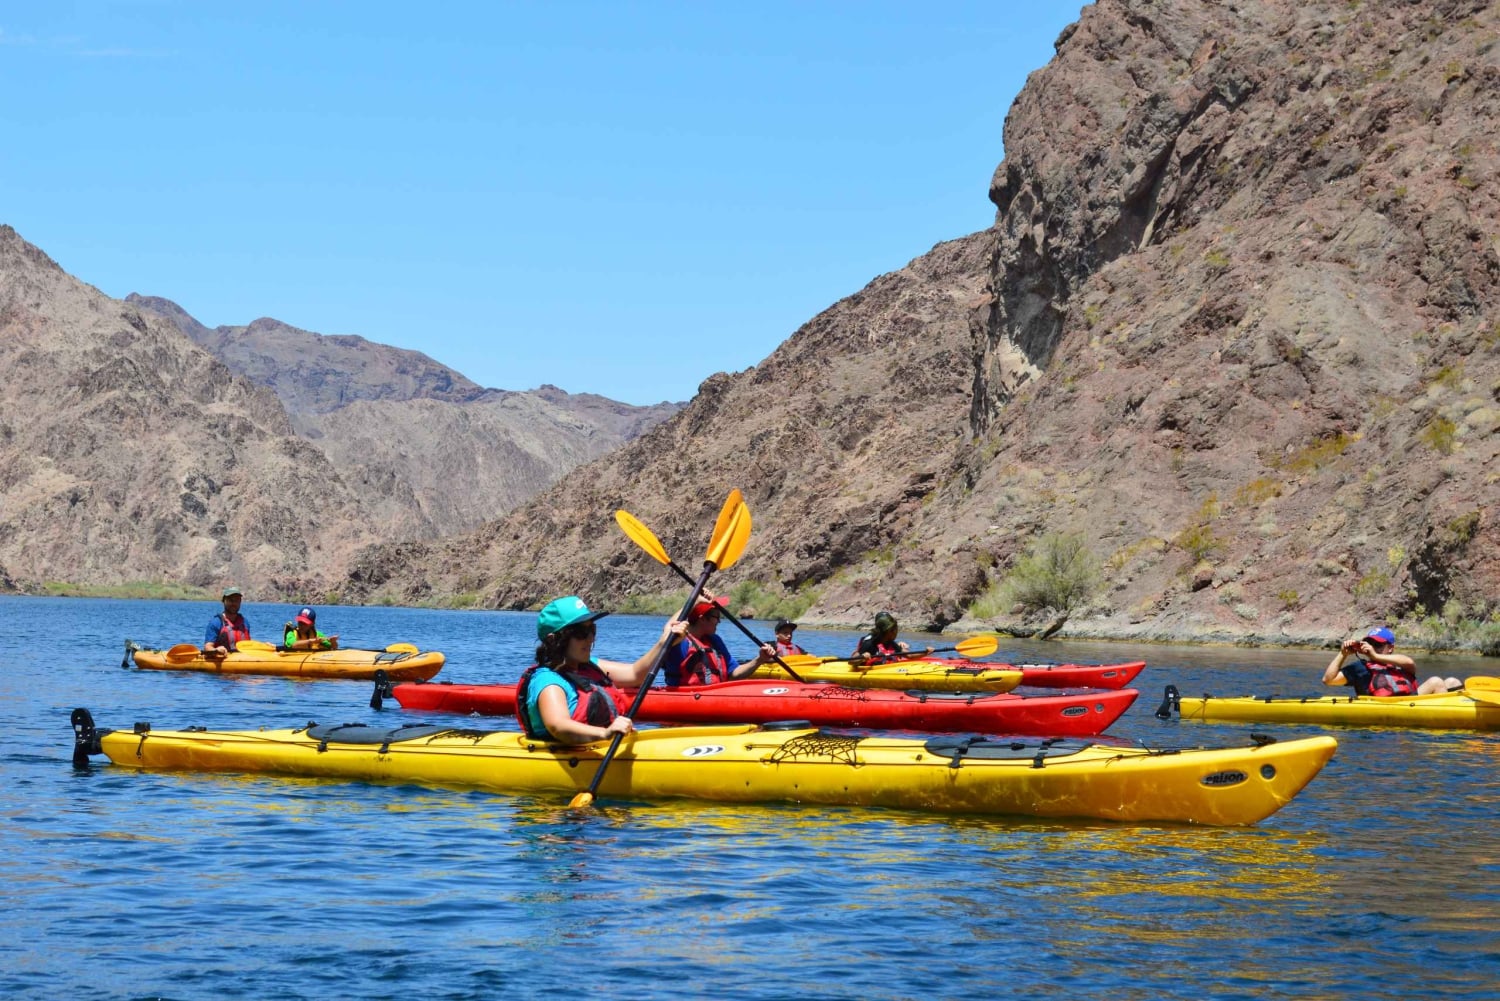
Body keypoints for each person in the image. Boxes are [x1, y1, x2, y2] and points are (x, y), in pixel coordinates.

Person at [516, 595, 686, 745]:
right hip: (572, 755)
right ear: (554, 640)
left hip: (599, 747)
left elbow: (636, 675)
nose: (590, 638)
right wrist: (605, 733)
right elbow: (558, 726)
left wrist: (665, 643)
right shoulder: (548, 681)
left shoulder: (590, 666)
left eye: (592, 630)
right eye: (581, 633)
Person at [662, 596, 775, 686]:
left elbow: (734, 674)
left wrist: (760, 660)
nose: (719, 621)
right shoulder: (679, 641)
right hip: (686, 699)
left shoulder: (715, 641)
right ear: (702, 619)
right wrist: (694, 601)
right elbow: (667, 632)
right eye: (716, 617)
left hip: (714, 698)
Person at [1322, 626, 1460, 696]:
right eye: (1370, 643)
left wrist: (1376, 656)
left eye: (1378, 645)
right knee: (1436, 681)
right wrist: (1342, 654)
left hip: (1410, 702)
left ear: (1390, 648)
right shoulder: (1361, 668)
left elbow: (1410, 663)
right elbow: (1328, 680)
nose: (1373, 647)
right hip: (1392, 706)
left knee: (1452, 682)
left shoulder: (1400, 663)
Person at [849, 611, 930, 665]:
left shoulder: (889, 642)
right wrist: (862, 658)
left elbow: (909, 655)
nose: (897, 633)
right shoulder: (869, 643)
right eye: (895, 631)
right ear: (889, 631)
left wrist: (925, 652)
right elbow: (851, 661)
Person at [203, 585, 250, 656]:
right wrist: (216, 650)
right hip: (223, 659)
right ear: (223, 601)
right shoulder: (216, 622)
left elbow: (250, 646)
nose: (234, 603)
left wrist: (266, 647)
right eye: (231, 600)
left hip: (242, 660)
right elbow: (207, 647)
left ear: (240, 602)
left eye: (236, 600)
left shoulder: (244, 622)